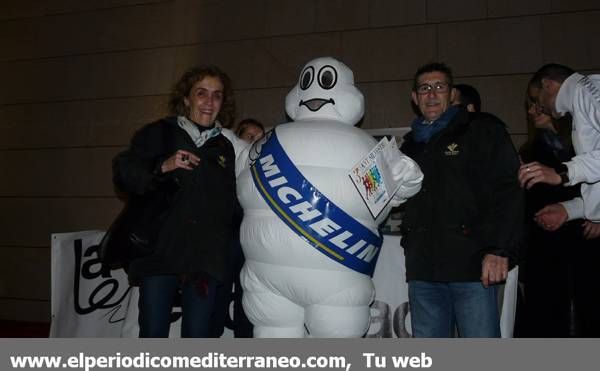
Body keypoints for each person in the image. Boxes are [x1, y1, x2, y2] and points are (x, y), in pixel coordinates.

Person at [112, 65, 239, 337]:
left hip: (204, 261)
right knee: (153, 335)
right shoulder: (160, 133)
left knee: (197, 339)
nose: (208, 102)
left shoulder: (224, 148)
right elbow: (124, 173)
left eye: (216, 95)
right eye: (201, 93)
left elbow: (229, 204)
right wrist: (163, 166)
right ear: (186, 99)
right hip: (160, 253)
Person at [399, 62, 523, 337]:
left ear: (452, 94)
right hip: (423, 271)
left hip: (472, 268)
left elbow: (509, 189)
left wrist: (500, 249)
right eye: (424, 88)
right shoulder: (408, 146)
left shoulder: (482, 129)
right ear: (414, 98)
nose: (432, 94)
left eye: (439, 87)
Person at [519, 84, 600, 337]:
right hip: (545, 242)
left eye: (537, 103)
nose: (534, 110)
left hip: (586, 235)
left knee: (590, 308)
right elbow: (527, 200)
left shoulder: (585, 145)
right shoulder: (527, 151)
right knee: (549, 314)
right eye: (530, 106)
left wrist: (596, 216)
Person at [519, 63, 600, 239]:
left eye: (536, 98)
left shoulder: (588, 90)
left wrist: (563, 173)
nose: (538, 107)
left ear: (548, 84)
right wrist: (570, 209)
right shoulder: (581, 101)